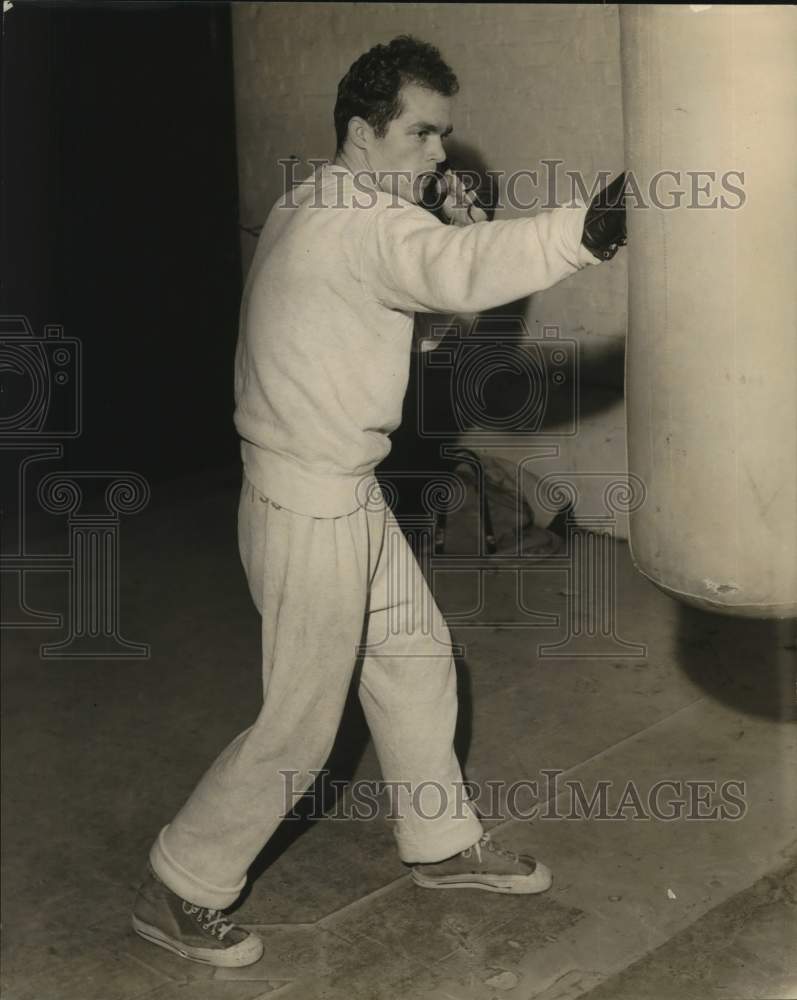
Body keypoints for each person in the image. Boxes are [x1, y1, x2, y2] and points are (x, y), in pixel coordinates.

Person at [131, 35, 626, 968]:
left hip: (332, 490)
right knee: (299, 727)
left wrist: (442, 243)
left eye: (443, 135)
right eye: (422, 134)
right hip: (308, 501)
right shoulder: (362, 225)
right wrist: (583, 234)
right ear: (363, 133)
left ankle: (439, 844)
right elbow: (450, 272)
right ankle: (182, 883)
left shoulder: (309, 200)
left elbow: (412, 322)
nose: (439, 155)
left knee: (416, 660)